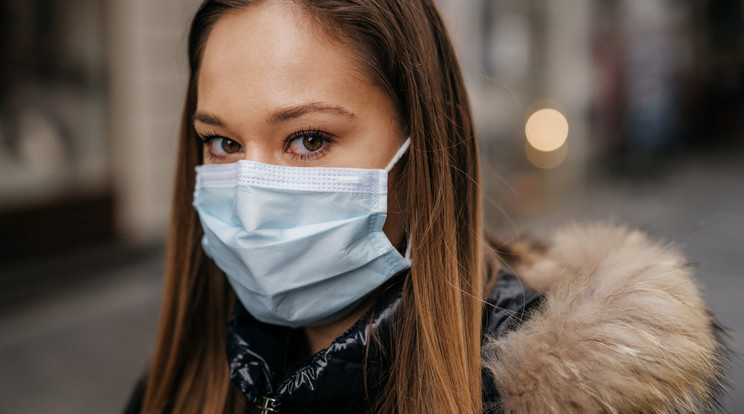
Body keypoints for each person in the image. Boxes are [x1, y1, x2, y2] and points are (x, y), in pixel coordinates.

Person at [125, 0, 728, 413]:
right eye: (224, 143)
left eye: (310, 139)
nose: (253, 197)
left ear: (423, 146)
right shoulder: (176, 383)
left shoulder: (536, 394)